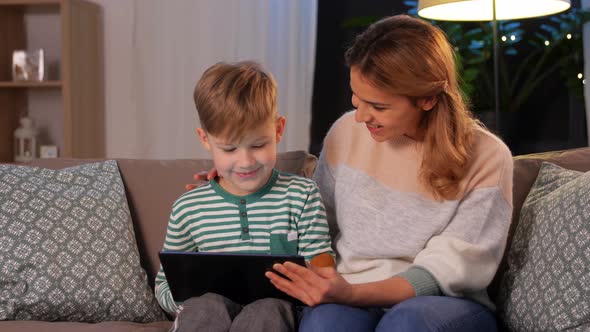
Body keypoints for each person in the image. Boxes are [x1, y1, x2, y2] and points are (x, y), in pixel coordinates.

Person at [262, 15, 514, 331]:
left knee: (406, 322)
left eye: (378, 106)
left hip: (443, 304)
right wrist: (239, 185)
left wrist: (353, 293)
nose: (360, 117)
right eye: (356, 98)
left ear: (428, 98)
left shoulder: (487, 157)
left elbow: (443, 272)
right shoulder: (345, 133)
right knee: (327, 323)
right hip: (348, 289)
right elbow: (310, 220)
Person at [156, 61, 335, 332]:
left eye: (259, 145)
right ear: (205, 139)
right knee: (206, 306)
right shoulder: (188, 208)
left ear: (278, 130)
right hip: (205, 313)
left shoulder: (302, 195)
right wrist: (187, 299)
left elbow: (323, 265)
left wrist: (313, 277)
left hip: (275, 311)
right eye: (229, 149)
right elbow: (164, 284)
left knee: (269, 307)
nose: (245, 161)